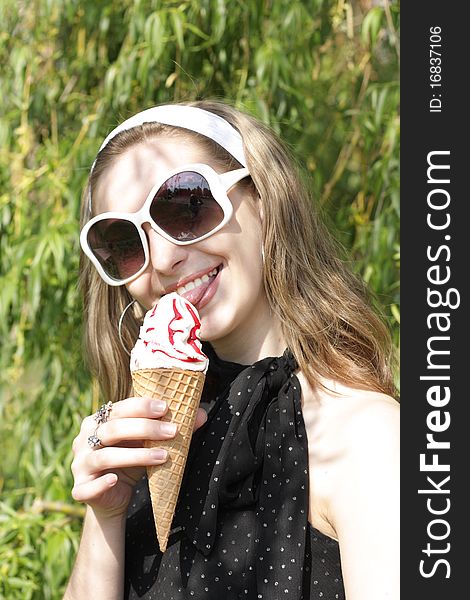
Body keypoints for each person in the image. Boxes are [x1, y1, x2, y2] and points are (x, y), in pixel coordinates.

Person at [64, 100, 399, 600]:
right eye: (125, 242)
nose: (162, 258)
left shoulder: (365, 434)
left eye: (186, 204)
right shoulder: (153, 449)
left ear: (264, 197)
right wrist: (106, 516)